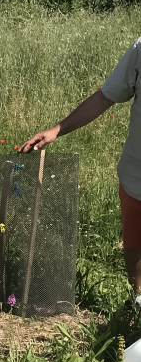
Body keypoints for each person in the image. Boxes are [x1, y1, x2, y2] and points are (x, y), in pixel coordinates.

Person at [20, 36, 141, 302]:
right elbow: (106, 96)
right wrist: (57, 129)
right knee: (135, 247)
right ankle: (138, 302)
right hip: (137, 175)